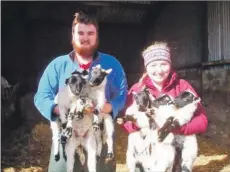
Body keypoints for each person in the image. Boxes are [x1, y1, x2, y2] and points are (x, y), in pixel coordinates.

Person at [34, 12, 128, 172]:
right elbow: (41, 96)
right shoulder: (58, 65)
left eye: (90, 33)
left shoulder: (111, 64)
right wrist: (58, 109)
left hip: (98, 132)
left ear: (97, 35)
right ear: (73, 34)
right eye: (80, 33)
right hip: (68, 131)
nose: (85, 38)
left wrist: (108, 108)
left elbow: (122, 94)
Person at [120, 41, 208, 172]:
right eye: (153, 65)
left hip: (174, 142)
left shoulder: (182, 87)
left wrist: (178, 128)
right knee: (134, 138)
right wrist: (138, 123)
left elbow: (202, 121)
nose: (159, 70)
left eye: (163, 64)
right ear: (146, 67)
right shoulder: (137, 90)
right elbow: (125, 121)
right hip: (147, 146)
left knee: (189, 141)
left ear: (170, 64)